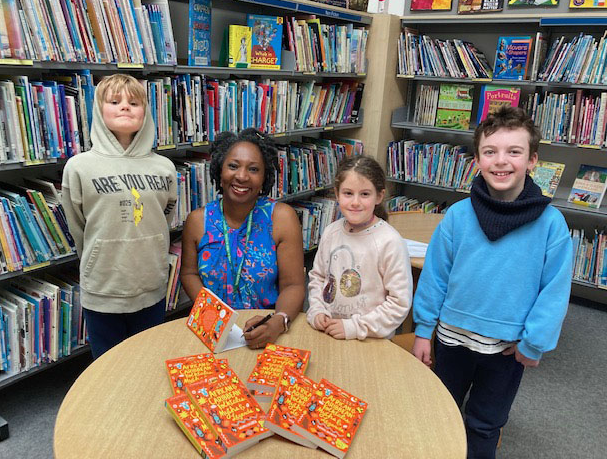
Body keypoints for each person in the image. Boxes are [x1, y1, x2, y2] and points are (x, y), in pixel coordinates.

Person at [411, 107, 572, 458]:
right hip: (452, 340)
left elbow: (554, 291)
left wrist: (535, 342)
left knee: (485, 424)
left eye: (514, 152)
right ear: (477, 159)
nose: (501, 161)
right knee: (440, 411)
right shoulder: (458, 215)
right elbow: (436, 276)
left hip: (506, 350)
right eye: (490, 152)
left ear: (532, 160)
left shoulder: (551, 224)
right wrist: (423, 330)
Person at [61, 74, 178, 359]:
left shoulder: (163, 167)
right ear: (99, 110)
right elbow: (78, 225)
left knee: (146, 360)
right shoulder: (79, 167)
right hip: (104, 288)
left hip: (151, 285)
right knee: (107, 365)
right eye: (115, 101)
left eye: (134, 102)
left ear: (145, 112)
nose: (125, 107)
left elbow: (167, 214)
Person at [180, 128, 305, 349]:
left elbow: (293, 285)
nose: (242, 176)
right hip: (211, 332)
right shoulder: (198, 221)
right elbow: (189, 273)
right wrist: (210, 314)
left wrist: (278, 322)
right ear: (219, 170)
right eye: (233, 166)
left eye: (254, 169)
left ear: (265, 176)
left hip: (265, 328)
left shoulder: (282, 218)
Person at [306, 155, 413, 340]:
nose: (355, 202)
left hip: (370, 341)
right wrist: (316, 311)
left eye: (365, 194)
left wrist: (355, 327)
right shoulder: (331, 232)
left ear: (379, 196)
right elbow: (318, 277)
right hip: (328, 333)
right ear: (337, 194)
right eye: (348, 193)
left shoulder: (390, 241)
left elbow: (399, 303)